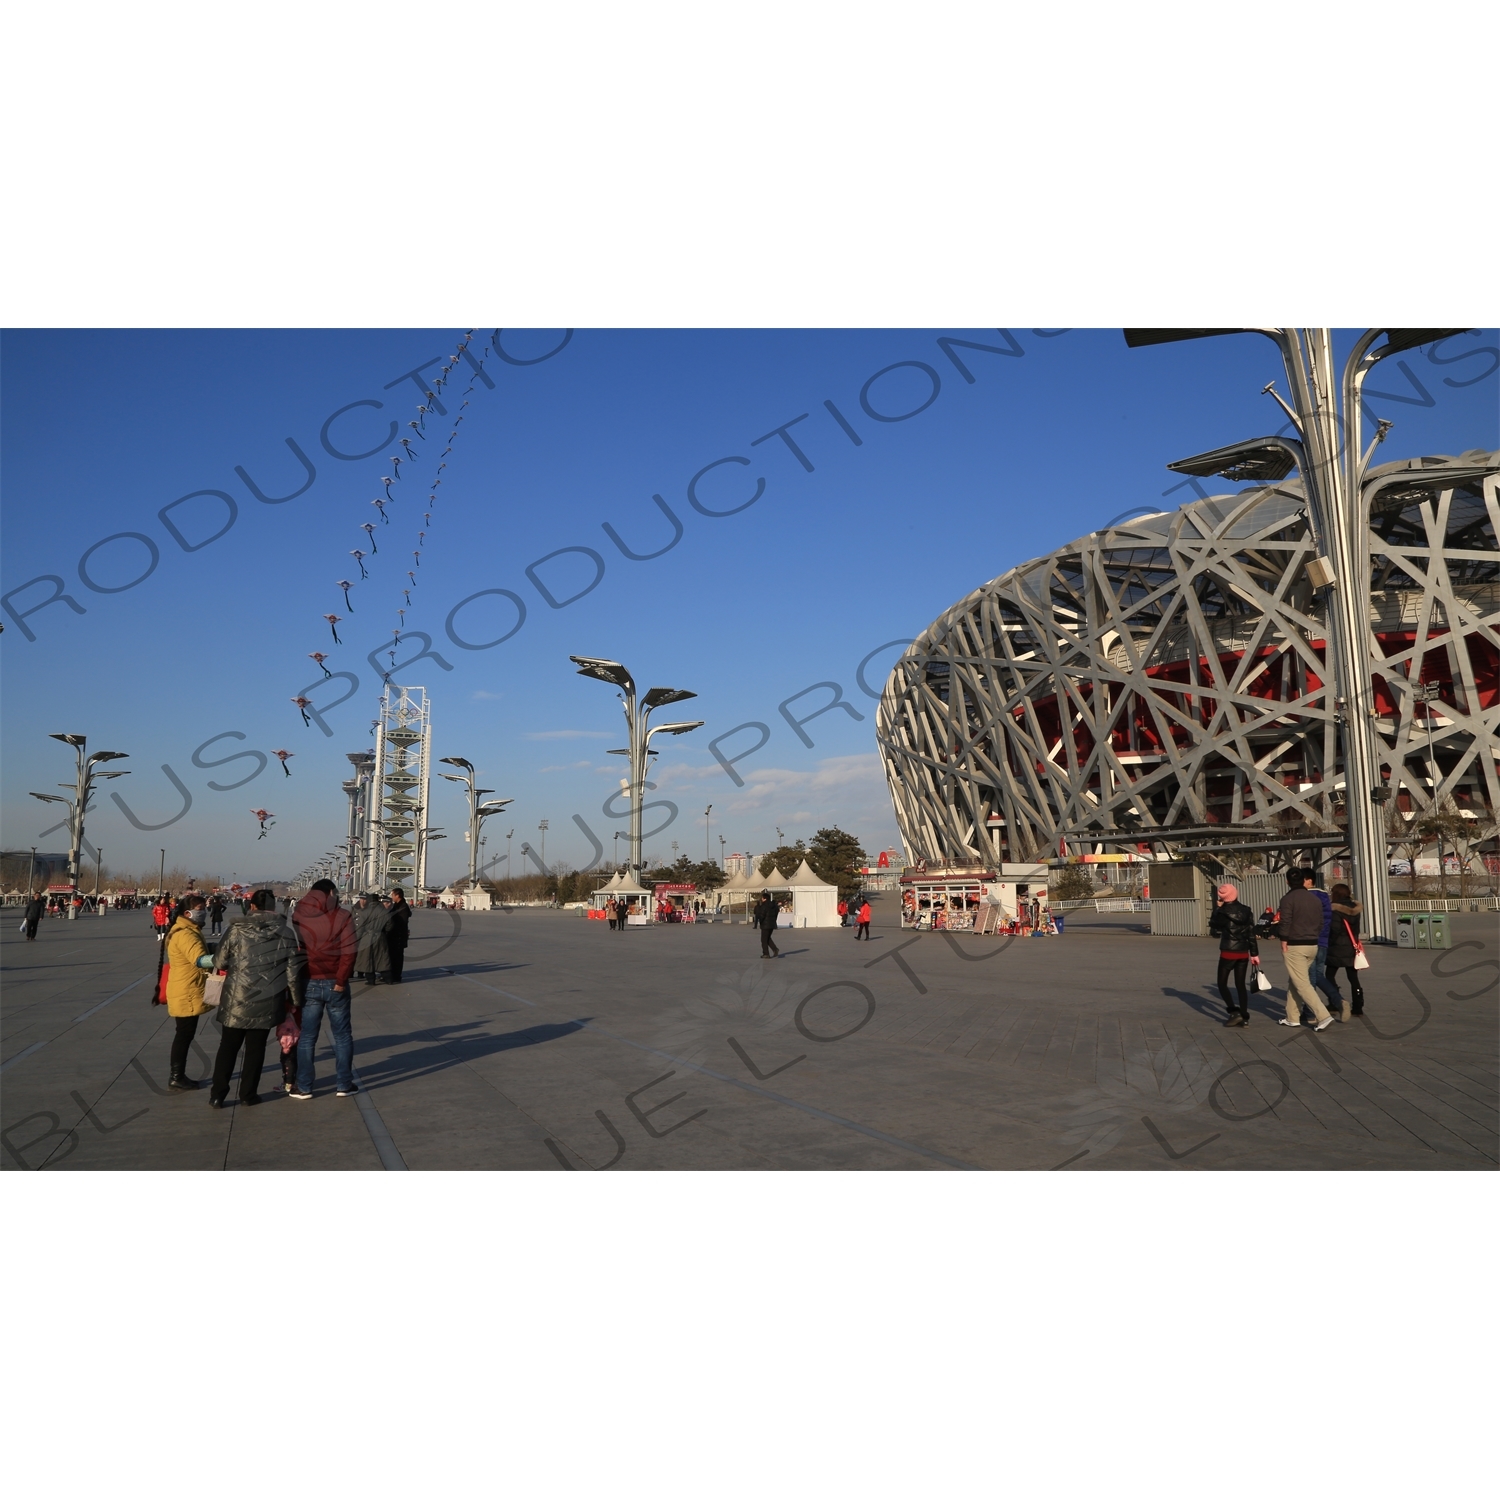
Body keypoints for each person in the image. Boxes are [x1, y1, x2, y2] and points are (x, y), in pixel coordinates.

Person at [208, 888, 305, 1107]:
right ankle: (247, 1094)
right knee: (256, 1049)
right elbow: (292, 973)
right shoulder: (286, 933)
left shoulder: (235, 930)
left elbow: (220, 962)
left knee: (228, 1047)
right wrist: (296, 1002)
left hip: (236, 997)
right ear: (273, 908)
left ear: (251, 907)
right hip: (268, 999)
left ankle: (218, 1094)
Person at [289, 879, 357, 1100]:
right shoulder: (342, 916)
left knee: (308, 1037)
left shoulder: (299, 914)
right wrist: (340, 980)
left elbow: (298, 949)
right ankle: (344, 1084)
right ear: (330, 892)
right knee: (342, 1036)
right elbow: (349, 952)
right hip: (334, 982)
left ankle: (305, 1086)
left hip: (309, 980)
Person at [164, 893, 215, 1090]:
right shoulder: (186, 933)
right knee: (184, 1034)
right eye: (200, 910)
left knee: (184, 1033)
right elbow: (200, 960)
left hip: (184, 987)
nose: (204, 913)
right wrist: (223, 957)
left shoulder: (187, 929)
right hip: (187, 990)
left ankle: (178, 1074)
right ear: (188, 912)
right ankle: (176, 1076)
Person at [1276, 868, 1335, 1031]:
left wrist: (1283, 940)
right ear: (1304, 881)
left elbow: (1285, 921)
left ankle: (1323, 1016)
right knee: (1295, 980)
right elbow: (1321, 921)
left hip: (1295, 945)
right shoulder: (1314, 899)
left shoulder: (1287, 899)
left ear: (1287, 881)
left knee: (1302, 983)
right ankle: (1292, 1017)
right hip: (1313, 944)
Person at [1208, 882, 1258, 1026]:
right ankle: (1245, 1016)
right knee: (1240, 985)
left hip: (1228, 951)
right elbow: (1251, 933)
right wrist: (1254, 953)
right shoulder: (1247, 910)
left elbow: (1213, 925)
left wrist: (1217, 908)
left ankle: (1233, 1011)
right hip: (1243, 952)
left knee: (1222, 983)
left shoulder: (1223, 912)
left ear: (1223, 897)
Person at [1324, 883, 1365, 1021]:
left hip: (1336, 947)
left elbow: (1334, 930)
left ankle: (1336, 1001)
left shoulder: (1335, 909)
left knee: (1329, 975)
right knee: (1353, 978)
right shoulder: (1356, 909)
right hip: (1351, 946)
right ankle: (1358, 1006)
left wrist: (1329, 942)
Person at [353, 891, 392, 983]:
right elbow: (390, 926)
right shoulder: (384, 911)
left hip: (367, 937)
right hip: (380, 936)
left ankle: (371, 980)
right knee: (382, 958)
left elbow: (360, 928)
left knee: (367, 959)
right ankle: (388, 979)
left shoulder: (364, 912)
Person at [386, 886, 412, 983]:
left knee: (397, 957)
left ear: (398, 895)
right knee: (393, 956)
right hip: (394, 936)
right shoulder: (396, 905)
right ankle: (393, 974)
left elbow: (402, 922)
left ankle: (396, 976)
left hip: (398, 936)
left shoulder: (403, 907)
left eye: (393, 895)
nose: (392, 897)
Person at [752, 890, 780, 959]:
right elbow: (776, 914)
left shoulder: (764, 906)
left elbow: (762, 915)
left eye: (762, 898)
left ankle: (766, 953)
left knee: (764, 940)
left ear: (764, 898)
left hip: (765, 925)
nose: (761, 899)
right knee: (768, 938)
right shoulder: (773, 906)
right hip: (772, 924)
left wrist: (760, 921)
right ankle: (775, 949)